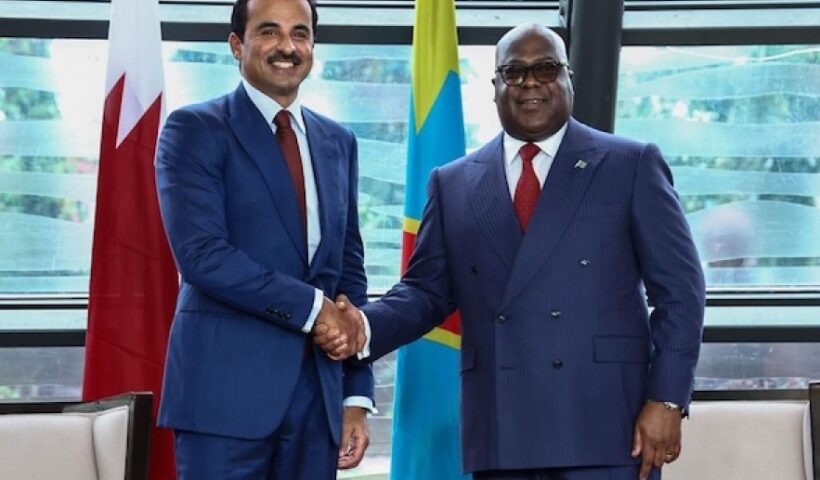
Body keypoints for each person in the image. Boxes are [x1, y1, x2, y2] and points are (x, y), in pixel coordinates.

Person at [316, 23, 705, 480]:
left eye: (546, 69)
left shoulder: (630, 164)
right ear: (495, 86)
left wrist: (667, 399)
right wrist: (361, 324)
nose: (531, 83)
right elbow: (426, 293)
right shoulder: (453, 182)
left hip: (606, 426)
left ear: (569, 79)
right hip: (501, 429)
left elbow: (681, 291)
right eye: (514, 72)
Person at [154, 0, 371, 477]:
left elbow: (348, 272)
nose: (287, 47)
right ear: (237, 44)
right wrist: (316, 311)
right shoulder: (194, 129)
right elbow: (203, 257)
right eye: (269, 31)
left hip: (318, 401)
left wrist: (355, 394)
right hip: (224, 403)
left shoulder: (338, 142)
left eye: (301, 33)